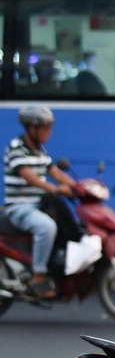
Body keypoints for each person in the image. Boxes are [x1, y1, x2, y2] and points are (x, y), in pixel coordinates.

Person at [2, 105, 78, 299]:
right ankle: (38, 276)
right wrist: (55, 189)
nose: (49, 133)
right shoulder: (16, 149)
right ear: (32, 129)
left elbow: (55, 173)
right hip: (20, 208)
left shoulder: (40, 152)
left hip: (38, 206)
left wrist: (80, 188)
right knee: (47, 227)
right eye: (46, 128)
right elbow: (29, 177)